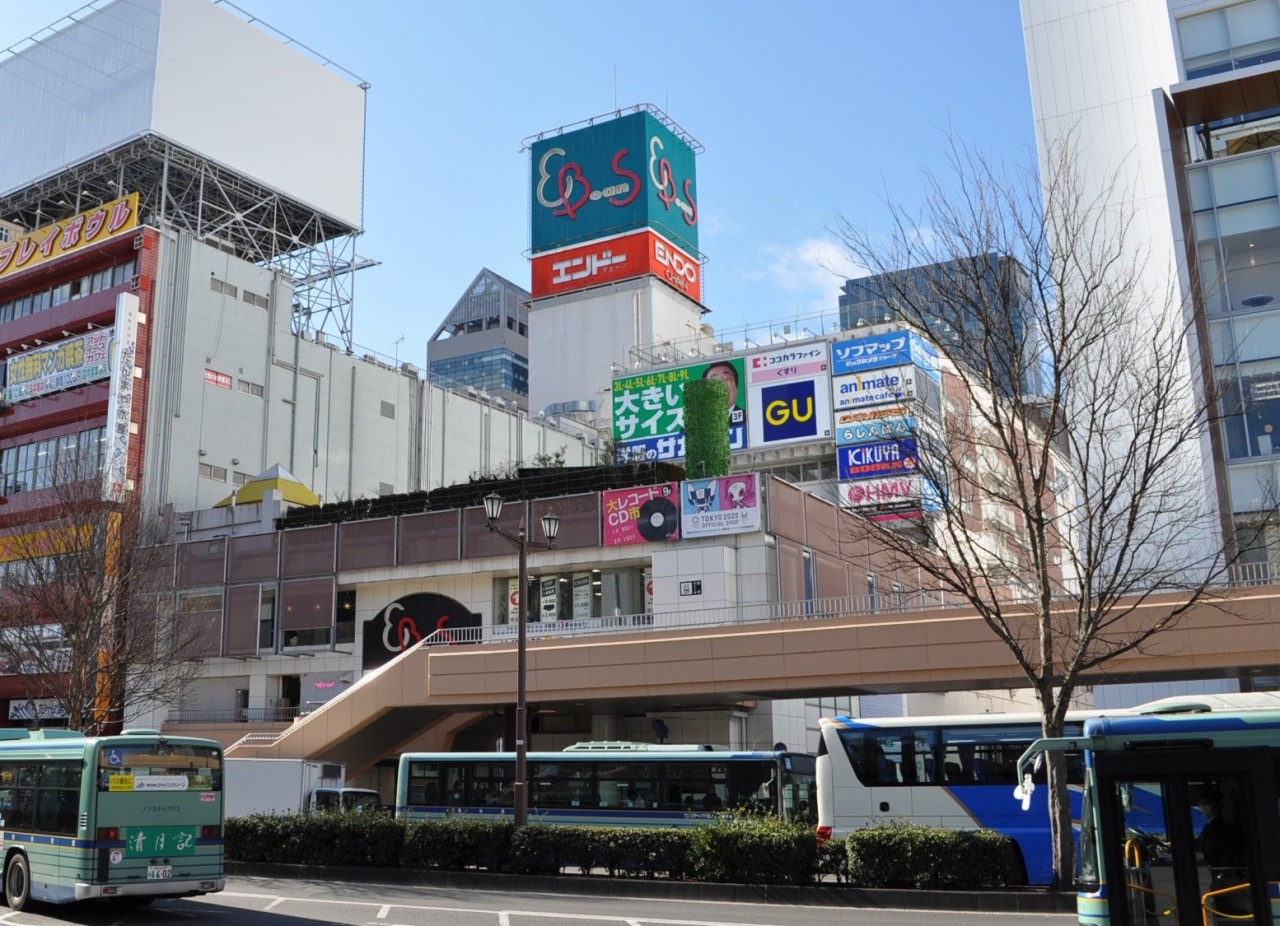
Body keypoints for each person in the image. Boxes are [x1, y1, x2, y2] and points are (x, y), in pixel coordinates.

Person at [1196, 788, 1242, 884]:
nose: (1202, 807)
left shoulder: (1219, 826)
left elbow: (1213, 849)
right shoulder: (1209, 824)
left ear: (1217, 806)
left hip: (1217, 871)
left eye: (1206, 804)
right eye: (1200, 804)